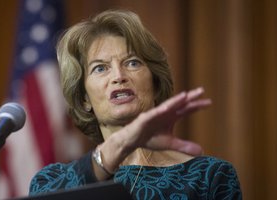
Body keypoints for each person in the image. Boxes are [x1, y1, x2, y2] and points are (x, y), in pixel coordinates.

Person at [29, 9, 242, 199]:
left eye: (132, 63)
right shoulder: (51, 182)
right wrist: (119, 146)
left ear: (155, 85)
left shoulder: (210, 177)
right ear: (84, 98)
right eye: (100, 68)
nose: (119, 76)